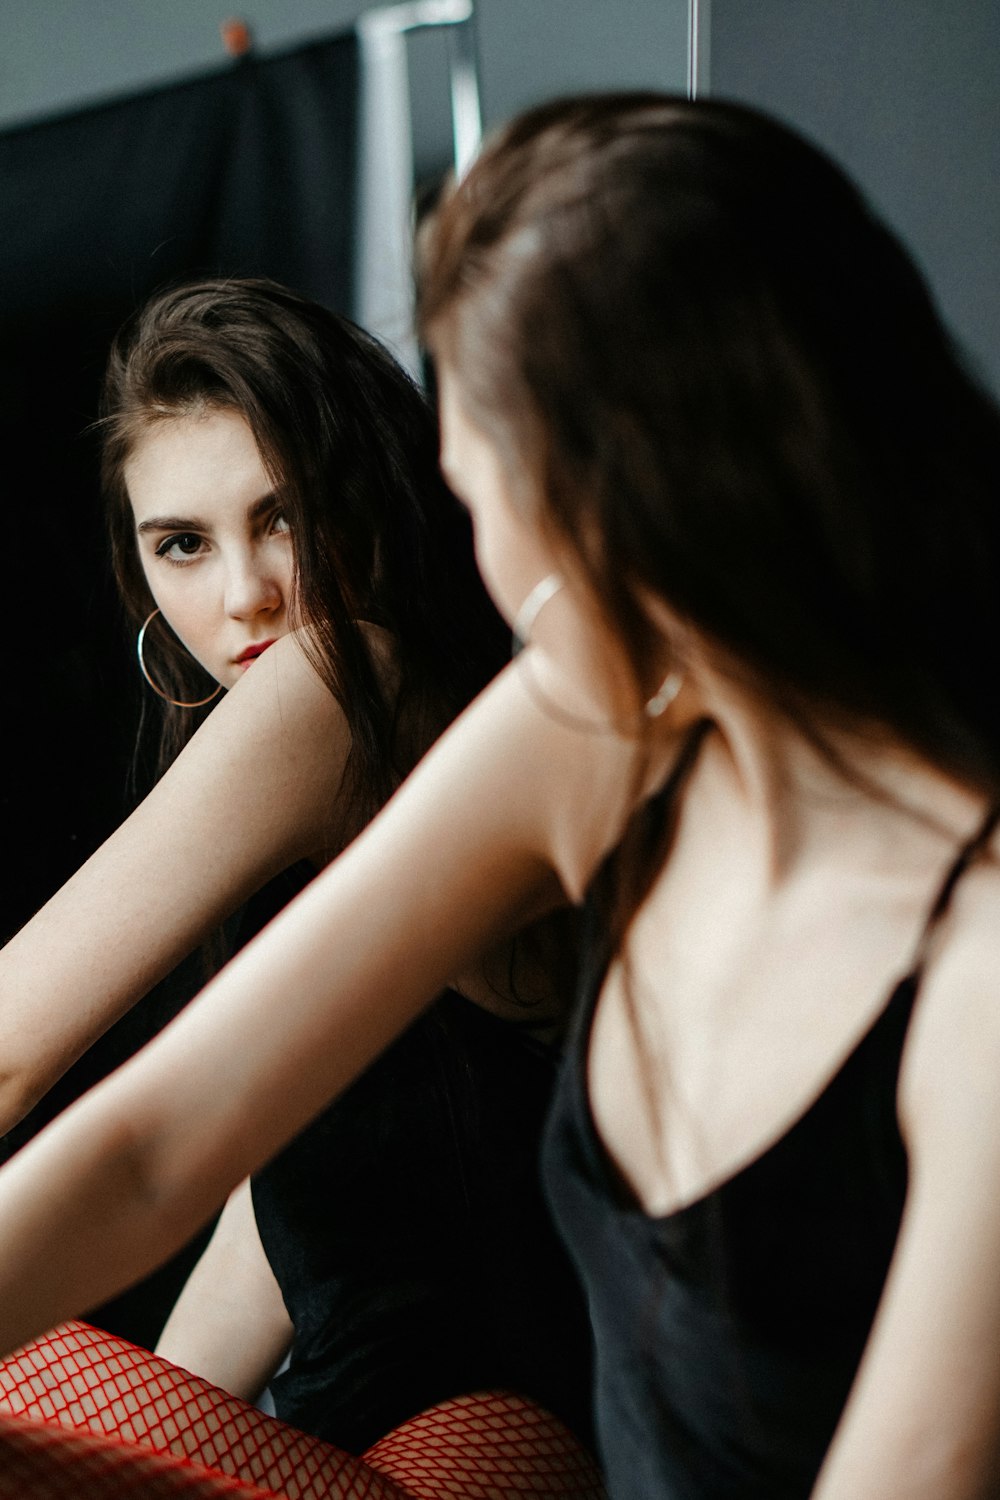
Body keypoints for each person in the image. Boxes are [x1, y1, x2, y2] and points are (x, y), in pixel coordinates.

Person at [1, 90, 1000, 1500]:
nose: (479, 558)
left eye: (482, 491)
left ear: (627, 489)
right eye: (178, 542)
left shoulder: (980, 957)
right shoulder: (570, 728)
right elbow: (185, 1160)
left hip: (488, 1442)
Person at [0, 278, 592, 1457]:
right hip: (348, 1448)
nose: (244, 594)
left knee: (31, 1375)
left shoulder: (342, 682)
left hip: (487, 1447)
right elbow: (282, 1228)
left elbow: (9, 1046)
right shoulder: (426, 732)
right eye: (182, 544)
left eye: (286, 517)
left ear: (378, 500)